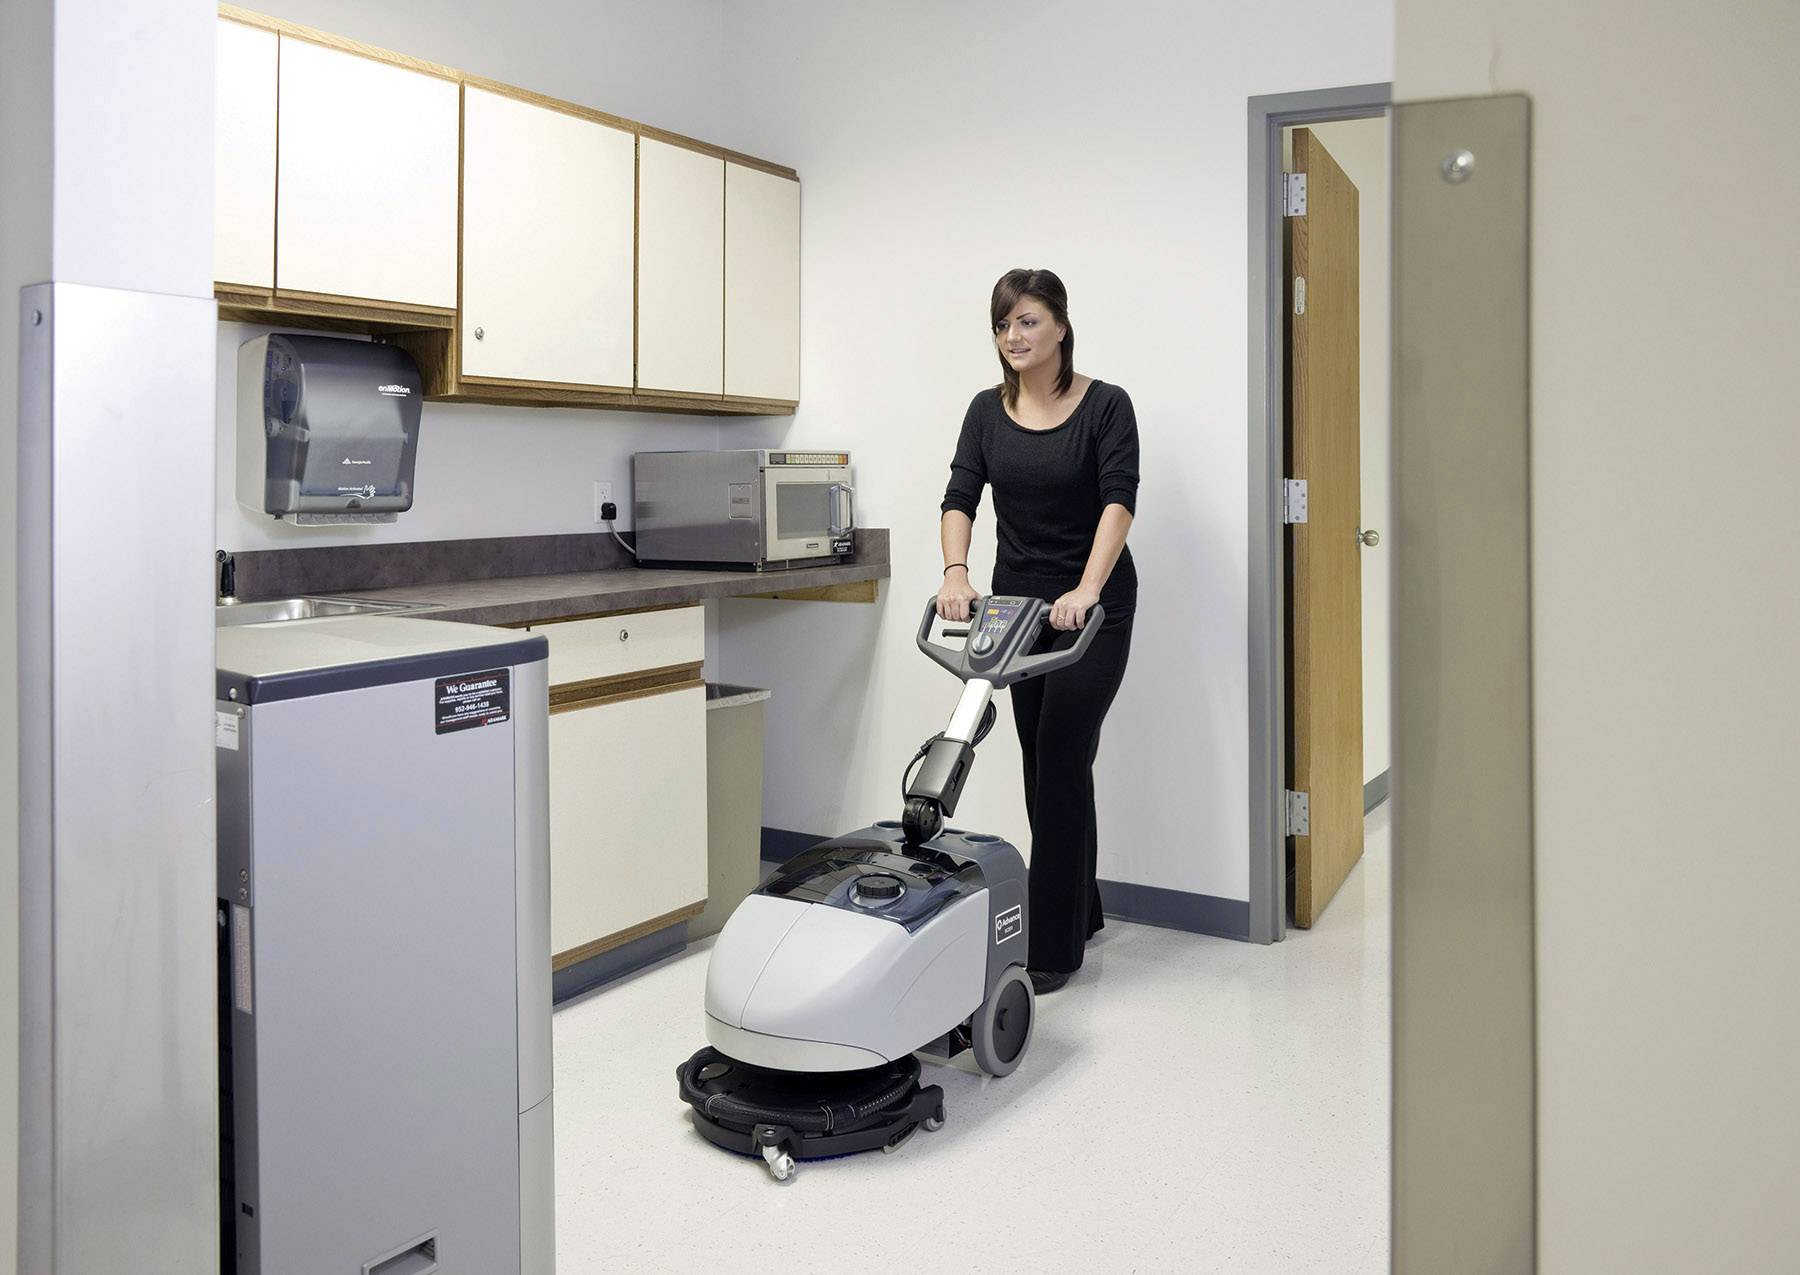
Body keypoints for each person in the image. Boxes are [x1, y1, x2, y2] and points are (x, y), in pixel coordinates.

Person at [937, 267, 1139, 995]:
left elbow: (1119, 501)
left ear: (1059, 324)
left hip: (1093, 609)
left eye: (1026, 321)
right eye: (1002, 324)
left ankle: (1053, 947)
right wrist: (956, 571)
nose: (1012, 336)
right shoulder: (986, 412)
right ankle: (1080, 908)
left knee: (1059, 752)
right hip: (1020, 614)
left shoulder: (1106, 406)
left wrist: (1086, 587)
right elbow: (961, 492)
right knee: (1042, 760)